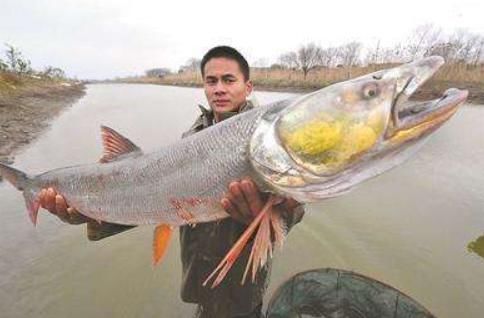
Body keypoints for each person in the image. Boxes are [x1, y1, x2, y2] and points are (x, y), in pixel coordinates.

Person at [38, 46, 305, 318]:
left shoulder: (270, 137)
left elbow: (293, 210)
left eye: (229, 80)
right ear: (203, 86)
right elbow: (158, 201)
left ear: (248, 87)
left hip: (241, 290)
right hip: (198, 282)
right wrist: (89, 213)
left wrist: (283, 209)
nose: (219, 89)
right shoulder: (190, 137)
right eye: (211, 81)